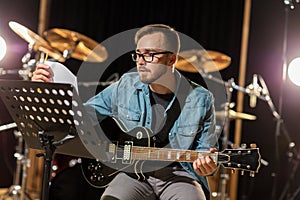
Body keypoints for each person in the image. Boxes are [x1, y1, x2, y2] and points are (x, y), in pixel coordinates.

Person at [32, 24, 219, 200]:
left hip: (178, 174)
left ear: (172, 59)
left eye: (150, 54)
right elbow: (81, 116)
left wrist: (206, 165)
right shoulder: (125, 85)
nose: (141, 62)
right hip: (132, 172)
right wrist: (45, 90)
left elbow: (205, 151)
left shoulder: (201, 98)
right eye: (138, 54)